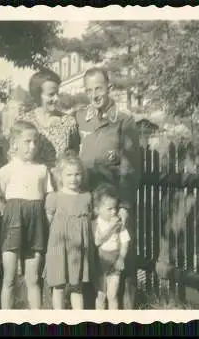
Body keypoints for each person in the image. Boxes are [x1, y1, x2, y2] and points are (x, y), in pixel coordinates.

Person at [75, 67, 142, 309]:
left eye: (99, 88)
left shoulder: (123, 121)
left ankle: (126, 313)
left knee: (120, 260)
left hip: (114, 205)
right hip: (87, 202)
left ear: (109, 88)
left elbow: (130, 168)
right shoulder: (81, 118)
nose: (94, 94)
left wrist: (124, 206)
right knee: (91, 260)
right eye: (89, 90)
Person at [0, 120, 53, 309]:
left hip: (36, 225)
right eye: (27, 141)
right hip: (13, 224)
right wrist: (8, 213)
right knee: (9, 278)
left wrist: (48, 218)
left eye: (35, 141)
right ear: (15, 143)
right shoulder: (6, 171)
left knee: (33, 278)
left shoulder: (42, 170)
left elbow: (49, 196)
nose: (32, 146)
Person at [43, 150, 94, 309]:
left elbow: (90, 221)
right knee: (58, 286)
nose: (74, 179)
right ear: (60, 176)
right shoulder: (55, 198)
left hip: (78, 250)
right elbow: (48, 223)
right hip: (58, 247)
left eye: (77, 174)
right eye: (69, 175)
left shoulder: (86, 196)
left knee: (76, 287)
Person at [17, 68, 80, 171]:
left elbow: (74, 157)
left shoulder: (69, 122)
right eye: (51, 94)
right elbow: (14, 156)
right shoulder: (24, 121)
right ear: (38, 95)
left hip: (59, 183)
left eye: (57, 94)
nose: (56, 99)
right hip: (32, 182)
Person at [92, 183, 131, 310]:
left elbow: (125, 241)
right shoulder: (96, 223)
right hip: (100, 261)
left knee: (112, 295)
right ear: (97, 209)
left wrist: (121, 258)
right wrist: (111, 227)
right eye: (109, 209)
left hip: (114, 261)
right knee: (100, 296)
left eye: (115, 208)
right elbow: (97, 241)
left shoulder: (119, 223)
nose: (114, 211)